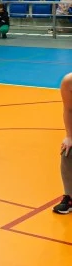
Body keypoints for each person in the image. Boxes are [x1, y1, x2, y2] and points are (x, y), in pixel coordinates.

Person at [53, 72, 72, 215]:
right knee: (68, 151)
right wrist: (69, 136)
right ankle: (70, 198)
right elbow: (68, 109)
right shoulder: (69, 82)